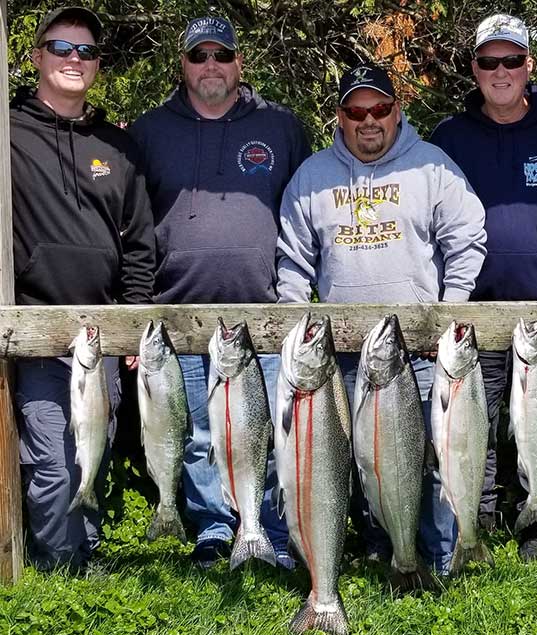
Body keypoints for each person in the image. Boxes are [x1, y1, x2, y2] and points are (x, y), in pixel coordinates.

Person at [276, 63, 487, 574]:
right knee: (361, 459)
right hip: (341, 356)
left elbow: (468, 238)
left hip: (416, 350)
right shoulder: (311, 177)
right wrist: (296, 320)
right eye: (355, 110)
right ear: (339, 117)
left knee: (430, 458)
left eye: (379, 109)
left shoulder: (433, 167)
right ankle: (381, 548)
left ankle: (441, 554)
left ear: (397, 111)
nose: (368, 120)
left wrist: (450, 312)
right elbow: (293, 260)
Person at [130, 15, 311, 569]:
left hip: (267, 314)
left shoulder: (281, 127)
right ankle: (213, 526)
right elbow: (133, 225)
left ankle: (274, 533)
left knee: (269, 433)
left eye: (222, 55)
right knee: (198, 436)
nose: (212, 64)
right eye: (199, 55)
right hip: (178, 314)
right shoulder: (148, 131)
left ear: (239, 63)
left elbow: (305, 214)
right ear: (182, 64)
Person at [429, 13, 537, 561]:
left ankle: (535, 516)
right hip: (470, 310)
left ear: (529, 65)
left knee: (535, 422)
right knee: (476, 419)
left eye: (512, 60)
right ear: (474, 68)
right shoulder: (448, 137)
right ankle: (483, 512)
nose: (501, 71)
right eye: (489, 61)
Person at [11, 6, 155, 571]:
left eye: (86, 52)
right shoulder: (8, 132)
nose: (74, 59)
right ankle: (58, 564)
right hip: (36, 332)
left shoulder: (117, 147)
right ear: (37, 56)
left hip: (104, 331)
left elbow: (140, 244)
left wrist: (134, 324)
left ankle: (87, 552)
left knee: (93, 449)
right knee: (53, 459)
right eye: (62, 48)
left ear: (98, 65)